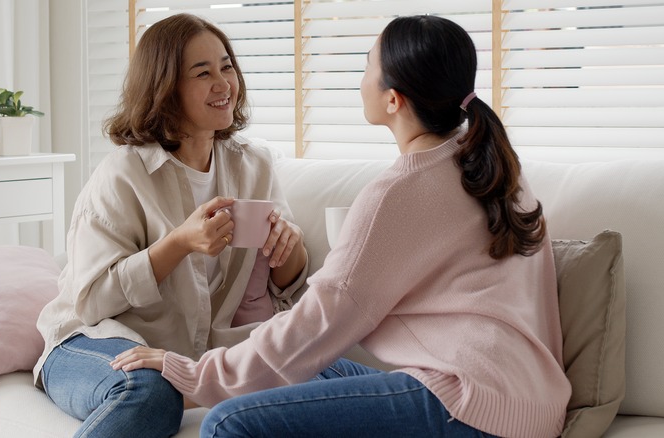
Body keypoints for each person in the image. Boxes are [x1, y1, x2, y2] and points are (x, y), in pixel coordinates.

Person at [111, 15, 571, 438]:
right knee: (312, 369)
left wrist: (194, 374)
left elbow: (319, 319)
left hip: (470, 407)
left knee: (228, 423)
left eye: (368, 65)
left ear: (393, 99)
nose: (360, 78)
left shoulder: (400, 192)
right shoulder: (496, 167)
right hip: (533, 405)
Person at [33, 13, 308, 438]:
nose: (223, 84)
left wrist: (289, 246)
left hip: (182, 356)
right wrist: (179, 243)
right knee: (150, 393)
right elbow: (91, 301)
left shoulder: (254, 165)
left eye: (227, 67)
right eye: (203, 73)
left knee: (316, 372)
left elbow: (286, 285)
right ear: (165, 89)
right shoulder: (123, 174)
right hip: (91, 340)